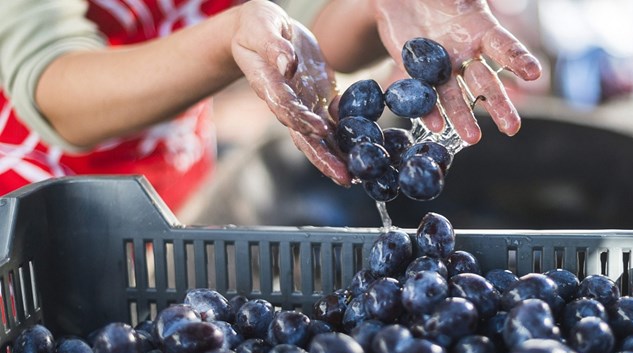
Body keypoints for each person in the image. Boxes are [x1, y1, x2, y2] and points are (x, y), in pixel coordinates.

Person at [0, 0, 541, 212]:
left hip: (166, 196)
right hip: (33, 202)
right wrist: (227, 40)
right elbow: (56, 94)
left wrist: (377, 5)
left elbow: (304, 35)